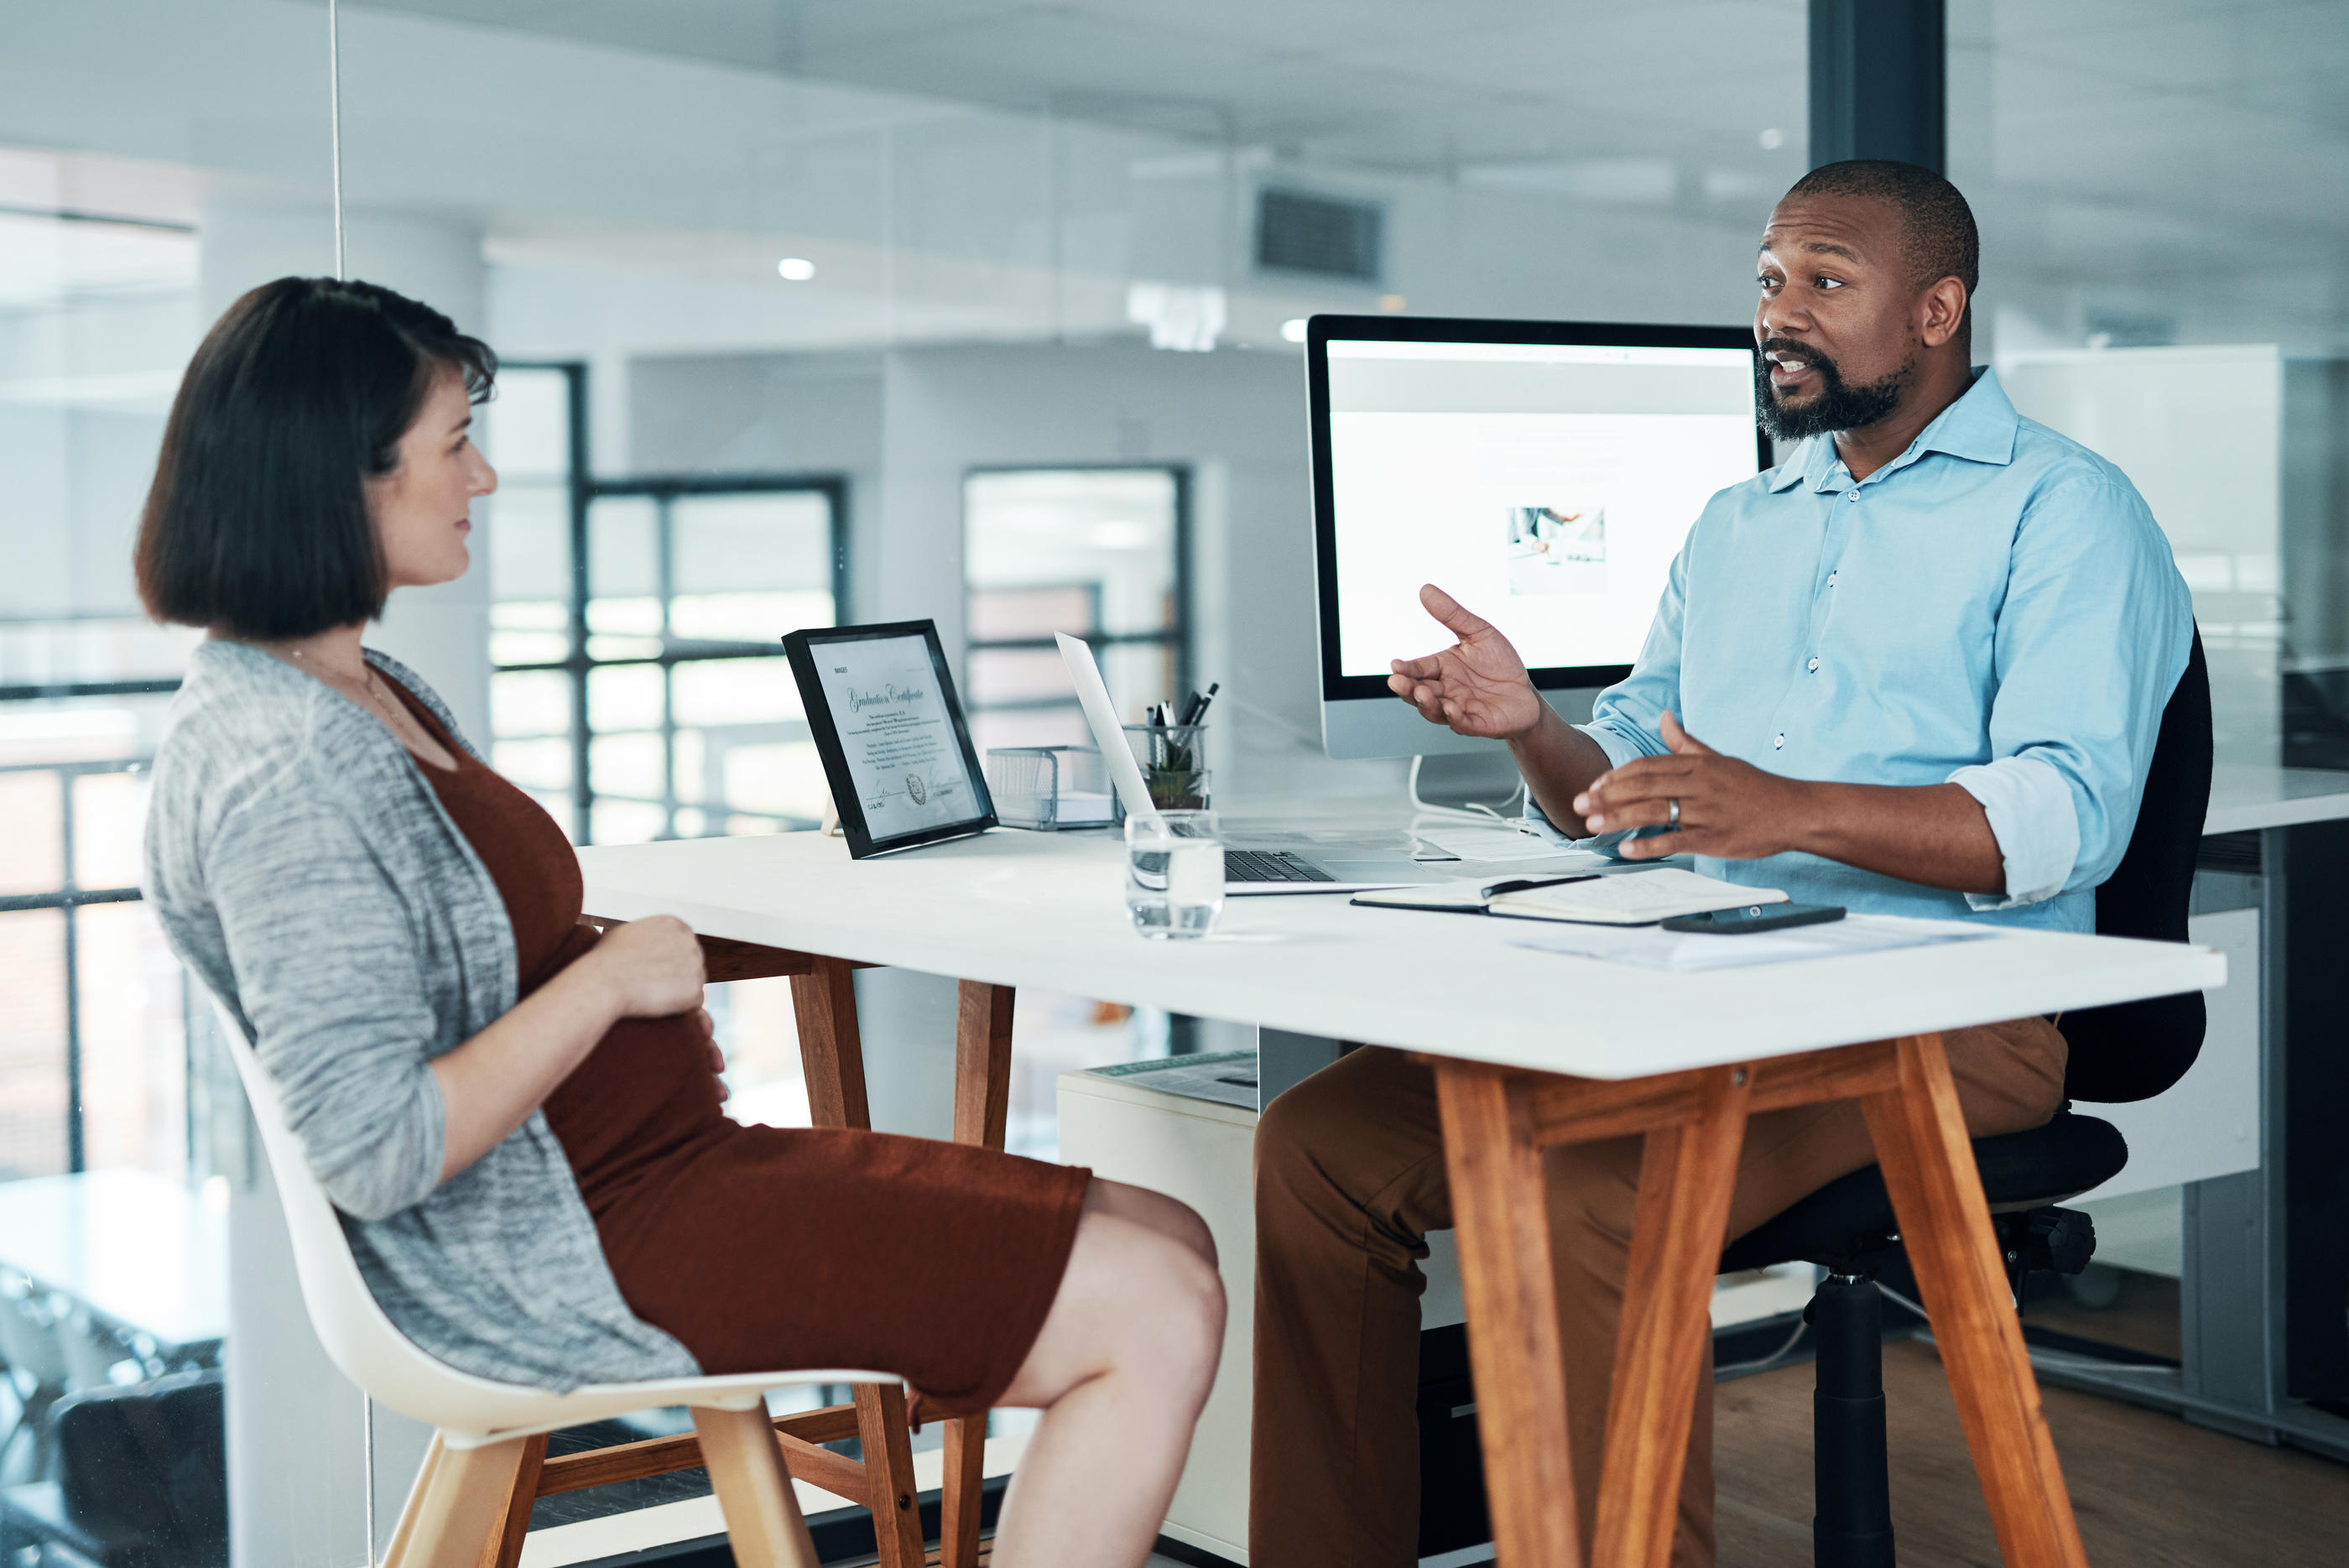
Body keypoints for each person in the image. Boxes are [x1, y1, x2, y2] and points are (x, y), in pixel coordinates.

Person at [138, 277, 1222, 1568]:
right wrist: (603, 989)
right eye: (451, 446)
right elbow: (376, 1147)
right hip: (578, 1245)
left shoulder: (351, 684)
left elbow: (467, 934)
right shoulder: (286, 772)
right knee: (1154, 1304)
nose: (481, 478)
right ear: (337, 478)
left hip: (645, 1182)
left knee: (1174, 1233)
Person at [1251, 160, 2192, 1566]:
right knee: (1320, 1145)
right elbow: (1621, 799)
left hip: (1956, 1012)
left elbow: (2063, 820)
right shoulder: (1737, 522)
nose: (1780, 315)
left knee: (1588, 1185)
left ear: (1937, 309)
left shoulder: (2068, 511)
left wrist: (1786, 808)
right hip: (1702, 986)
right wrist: (1532, 729)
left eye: (1826, 281)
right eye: (1767, 280)